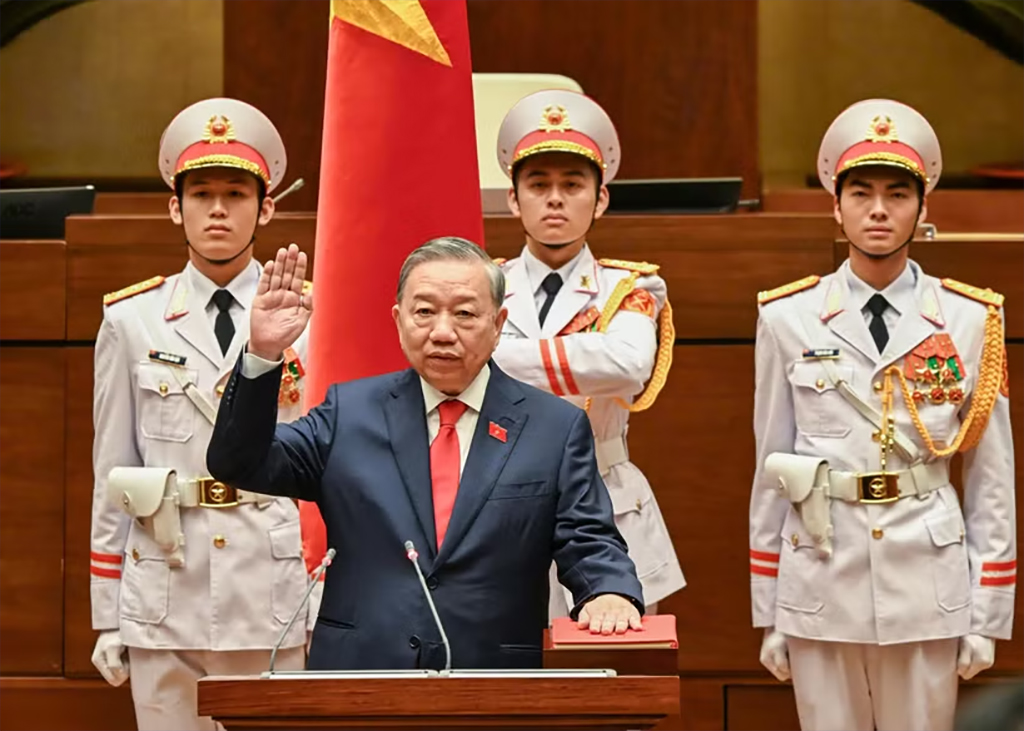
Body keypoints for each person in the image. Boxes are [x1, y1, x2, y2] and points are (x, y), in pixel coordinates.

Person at [206, 236, 646, 670]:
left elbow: (588, 538)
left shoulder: (553, 427)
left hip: (493, 677)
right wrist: (263, 354)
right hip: (360, 676)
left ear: (498, 323)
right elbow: (240, 463)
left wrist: (608, 591)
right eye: (424, 312)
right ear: (399, 320)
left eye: (464, 314)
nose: (442, 332)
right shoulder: (349, 413)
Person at [749, 98, 1015, 731]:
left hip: (926, 575)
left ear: (923, 208)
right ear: (835, 206)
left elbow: (991, 479)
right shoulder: (787, 317)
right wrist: (771, 609)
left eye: (897, 194)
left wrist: (987, 611)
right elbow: (771, 469)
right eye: (860, 193)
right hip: (820, 573)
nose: (878, 210)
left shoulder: (970, 319)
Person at [89, 98, 319, 731]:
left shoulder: (311, 316)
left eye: (236, 194)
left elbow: (331, 464)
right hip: (167, 582)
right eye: (202, 194)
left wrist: (327, 590)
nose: (218, 209)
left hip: (271, 581)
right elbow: (113, 471)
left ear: (265, 208)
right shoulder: (132, 320)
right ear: (176, 207)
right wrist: (107, 611)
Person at [490, 89, 685, 618]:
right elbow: (459, 366)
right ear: (514, 199)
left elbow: (627, 366)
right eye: (538, 184)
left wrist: (501, 354)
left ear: (600, 200)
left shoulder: (631, 286)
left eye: (573, 185)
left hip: (609, 502)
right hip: (500, 502)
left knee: (613, 658)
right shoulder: (483, 284)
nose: (555, 199)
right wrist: (586, 357)